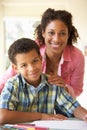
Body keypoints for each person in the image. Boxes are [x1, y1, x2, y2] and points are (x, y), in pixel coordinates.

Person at [0, 8, 85, 98]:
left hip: (60, 106)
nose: (56, 39)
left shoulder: (77, 57)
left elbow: (77, 89)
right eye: (51, 33)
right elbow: (5, 81)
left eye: (62, 33)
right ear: (43, 33)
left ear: (68, 34)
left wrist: (65, 88)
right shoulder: (33, 49)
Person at [0, 38, 87, 125]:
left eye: (35, 61)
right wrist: (41, 116)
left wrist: (85, 115)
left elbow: (73, 107)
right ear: (16, 68)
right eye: (24, 65)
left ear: (41, 59)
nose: (32, 68)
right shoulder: (12, 85)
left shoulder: (52, 83)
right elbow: (2, 116)